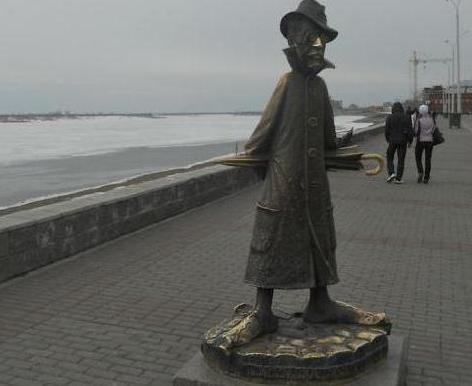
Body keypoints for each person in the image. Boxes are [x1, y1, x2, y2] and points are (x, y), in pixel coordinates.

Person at [217, 0, 388, 350]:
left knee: (319, 244)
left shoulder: (321, 89)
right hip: (283, 188)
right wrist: (254, 164)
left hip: (315, 189)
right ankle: (263, 310)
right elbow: (260, 139)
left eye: (321, 41)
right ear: (295, 41)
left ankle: (320, 302)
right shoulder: (287, 83)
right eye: (311, 38)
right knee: (273, 244)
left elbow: (327, 142)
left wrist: (350, 158)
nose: (317, 47)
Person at [385, 102, 414, 184]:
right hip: (403, 141)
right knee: (401, 159)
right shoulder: (406, 117)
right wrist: (410, 141)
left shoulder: (389, 117)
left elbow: (387, 130)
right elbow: (410, 130)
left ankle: (391, 173)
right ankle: (398, 178)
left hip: (392, 141)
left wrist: (388, 139)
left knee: (389, 156)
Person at [415, 104, 435, 184]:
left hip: (420, 141)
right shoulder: (432, 119)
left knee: (418, 157)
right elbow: (433, 130)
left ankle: (420, 171)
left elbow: (416, 131)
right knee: (428, 159)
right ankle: (426, 177)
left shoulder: (419, 120)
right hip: (429, 141)